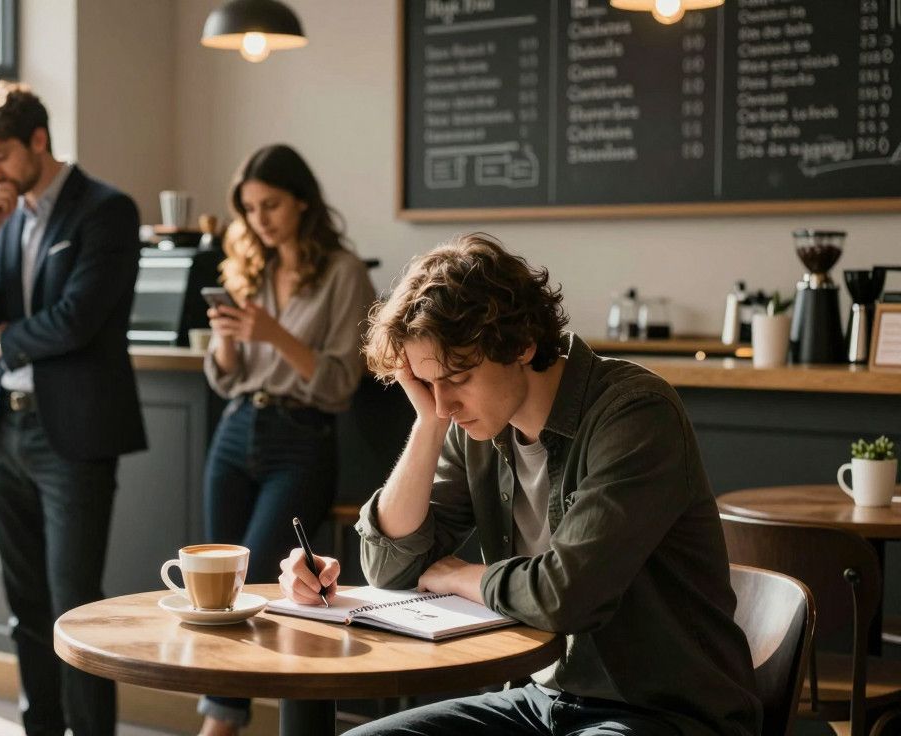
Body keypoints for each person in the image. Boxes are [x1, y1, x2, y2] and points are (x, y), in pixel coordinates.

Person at [279, 233, 762, 736]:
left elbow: (566, 595)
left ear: (522, 343)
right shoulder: (472, 428)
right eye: (428, 384)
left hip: (665, 713)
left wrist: (461, 576)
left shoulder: (635, 414)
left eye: (458, 378)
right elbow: (389, 568)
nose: (444, 404)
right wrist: (426, 425)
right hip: (541, 701)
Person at [0, 80, 146, 736]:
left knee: (76, 607)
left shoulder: (106, 210)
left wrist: (7, 340)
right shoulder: (6, 220)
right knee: (25, 607)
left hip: (74, 434)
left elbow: (77, 321)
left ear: (38, 140)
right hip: (3, 428)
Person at [198, 144, 376, 736]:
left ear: (301, 200)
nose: (259, 220)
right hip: (236, 429)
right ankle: (223, 718)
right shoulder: (249, 267)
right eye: (249, 209)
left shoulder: (345, 273)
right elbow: (225, 376)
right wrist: (227, 338)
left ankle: (221, 724)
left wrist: (272, 333)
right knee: (214, 589)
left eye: (270, 204)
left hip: (301, 438)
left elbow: (342, 381)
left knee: (257, 584)